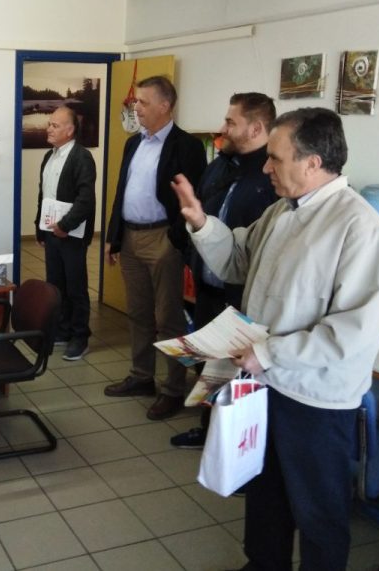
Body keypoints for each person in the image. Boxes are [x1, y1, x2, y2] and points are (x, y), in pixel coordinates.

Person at [172, 107, 379, 571]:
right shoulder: (281, 211)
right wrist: (201, 223)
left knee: (318, 512)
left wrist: (268, 352)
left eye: (275, 157)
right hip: (266, 383)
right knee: (266, 493)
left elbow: (353, 329)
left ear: (313, 163)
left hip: (314, 399)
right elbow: (237, 258)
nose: (266, 167)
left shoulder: (359, 226)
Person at [170, 92, 278, 449]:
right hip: (208, 289)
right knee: (208, 367)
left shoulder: (271, 179)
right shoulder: (220, 167)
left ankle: (233, 446)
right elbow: (201, 216)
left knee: (237, 375)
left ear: (256, 128)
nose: (223, 128)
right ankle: (208, 430)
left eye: (231, 122)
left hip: (241, 299)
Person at [103, 75, 207, 420]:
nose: (136, 108)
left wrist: (176, 239)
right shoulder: (133, 143)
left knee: (169, 318)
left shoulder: (187, 146)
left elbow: (194, 199)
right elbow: (121, 192)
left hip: (163, 238)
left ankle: (174, 388)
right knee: (138, 312)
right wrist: (114, 236)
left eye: (143, 102)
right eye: (136, 101)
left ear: (165, 105)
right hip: (131, 237)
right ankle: (141, 376)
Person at [35, 106, 96, 360]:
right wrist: (40, 227)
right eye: (49, 124)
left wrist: (65, 225)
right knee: (56, 284)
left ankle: (80, 336)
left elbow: (86, 199)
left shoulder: (81, 157)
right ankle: (62, 329)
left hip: (71, 234)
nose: (49, 128)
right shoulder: (49, 157)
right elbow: (44, 195)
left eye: (55, 125)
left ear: (70, 131)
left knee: (76, 287)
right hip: (51, 232)